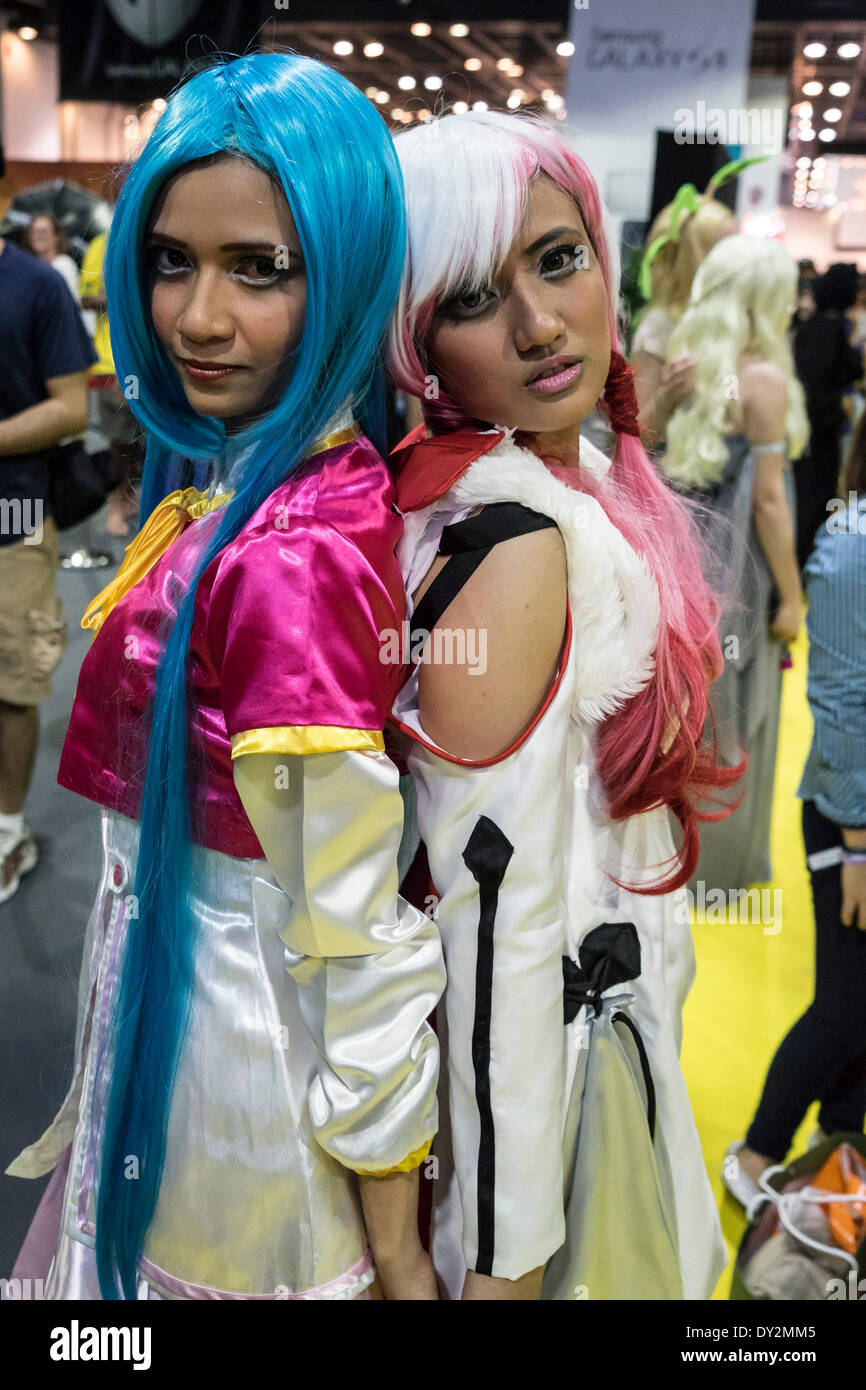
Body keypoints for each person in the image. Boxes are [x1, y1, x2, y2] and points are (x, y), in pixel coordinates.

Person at [5, 52, 444, 1302]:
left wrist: (400, 1243)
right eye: (171, 259)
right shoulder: (257, 485)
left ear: (348, 272)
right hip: (181, 1034)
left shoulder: (294, 551)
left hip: (236, 1090)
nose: (196, 318)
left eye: (260, 269)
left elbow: (351, 937)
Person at [387, 109, 742, 1300]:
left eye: (556, 259)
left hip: (604, 1040)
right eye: (474, 295)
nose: (540, 325)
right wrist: (503, 1257)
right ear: (415, 337)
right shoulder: (514, 539)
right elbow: (490, 932)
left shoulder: (555, 487)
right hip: (550, 1111)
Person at [725, 410, 866, 1202]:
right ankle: (755, 1153)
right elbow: (842, 705)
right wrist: (856, 846)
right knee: (846, 1008)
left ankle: (840, 1148)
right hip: (853, 819)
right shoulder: (851, 549)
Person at [661, 236, 807, 893]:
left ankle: (672, 859)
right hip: (744, 563)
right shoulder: (765, 379)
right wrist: (793, 594)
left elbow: (642, 441)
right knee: (737, 714)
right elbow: (771, 500)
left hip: (688, 554)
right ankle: (720, 870)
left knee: (689, 707)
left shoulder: (688, 365)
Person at [0, 191, 95, 905]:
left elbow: (70, 408)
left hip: (15, 512)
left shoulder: (35, 287)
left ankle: (8, 829)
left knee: (13, 683)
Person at [631, 186, 738, 450]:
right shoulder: (661, 326)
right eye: (730, 251)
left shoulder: (726, 321)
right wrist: (667, 399)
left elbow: (732, 412)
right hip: (675, 477)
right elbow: (634, 438)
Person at [793, 262, 863, 571]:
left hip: (811, 428)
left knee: (812, 493)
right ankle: (808, 558)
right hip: (821, 430)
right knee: (820, 494)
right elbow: (836, 374)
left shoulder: (815, 324)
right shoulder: (833, 327)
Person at [78, 226, 143, 539]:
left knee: (143, 440)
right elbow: (85, 298)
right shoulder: (100, 245)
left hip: (147, 363)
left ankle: (133, 498)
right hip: (110, 364)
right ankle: (117, 505)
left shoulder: (145, 234)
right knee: (118, 441)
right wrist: (109, 298)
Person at [27, 213, 81, 305]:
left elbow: (71, 303)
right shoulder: (31, 265)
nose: (39, 236)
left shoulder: (63, 264)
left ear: (56, 237)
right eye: (35, 232)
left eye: (44, 232)